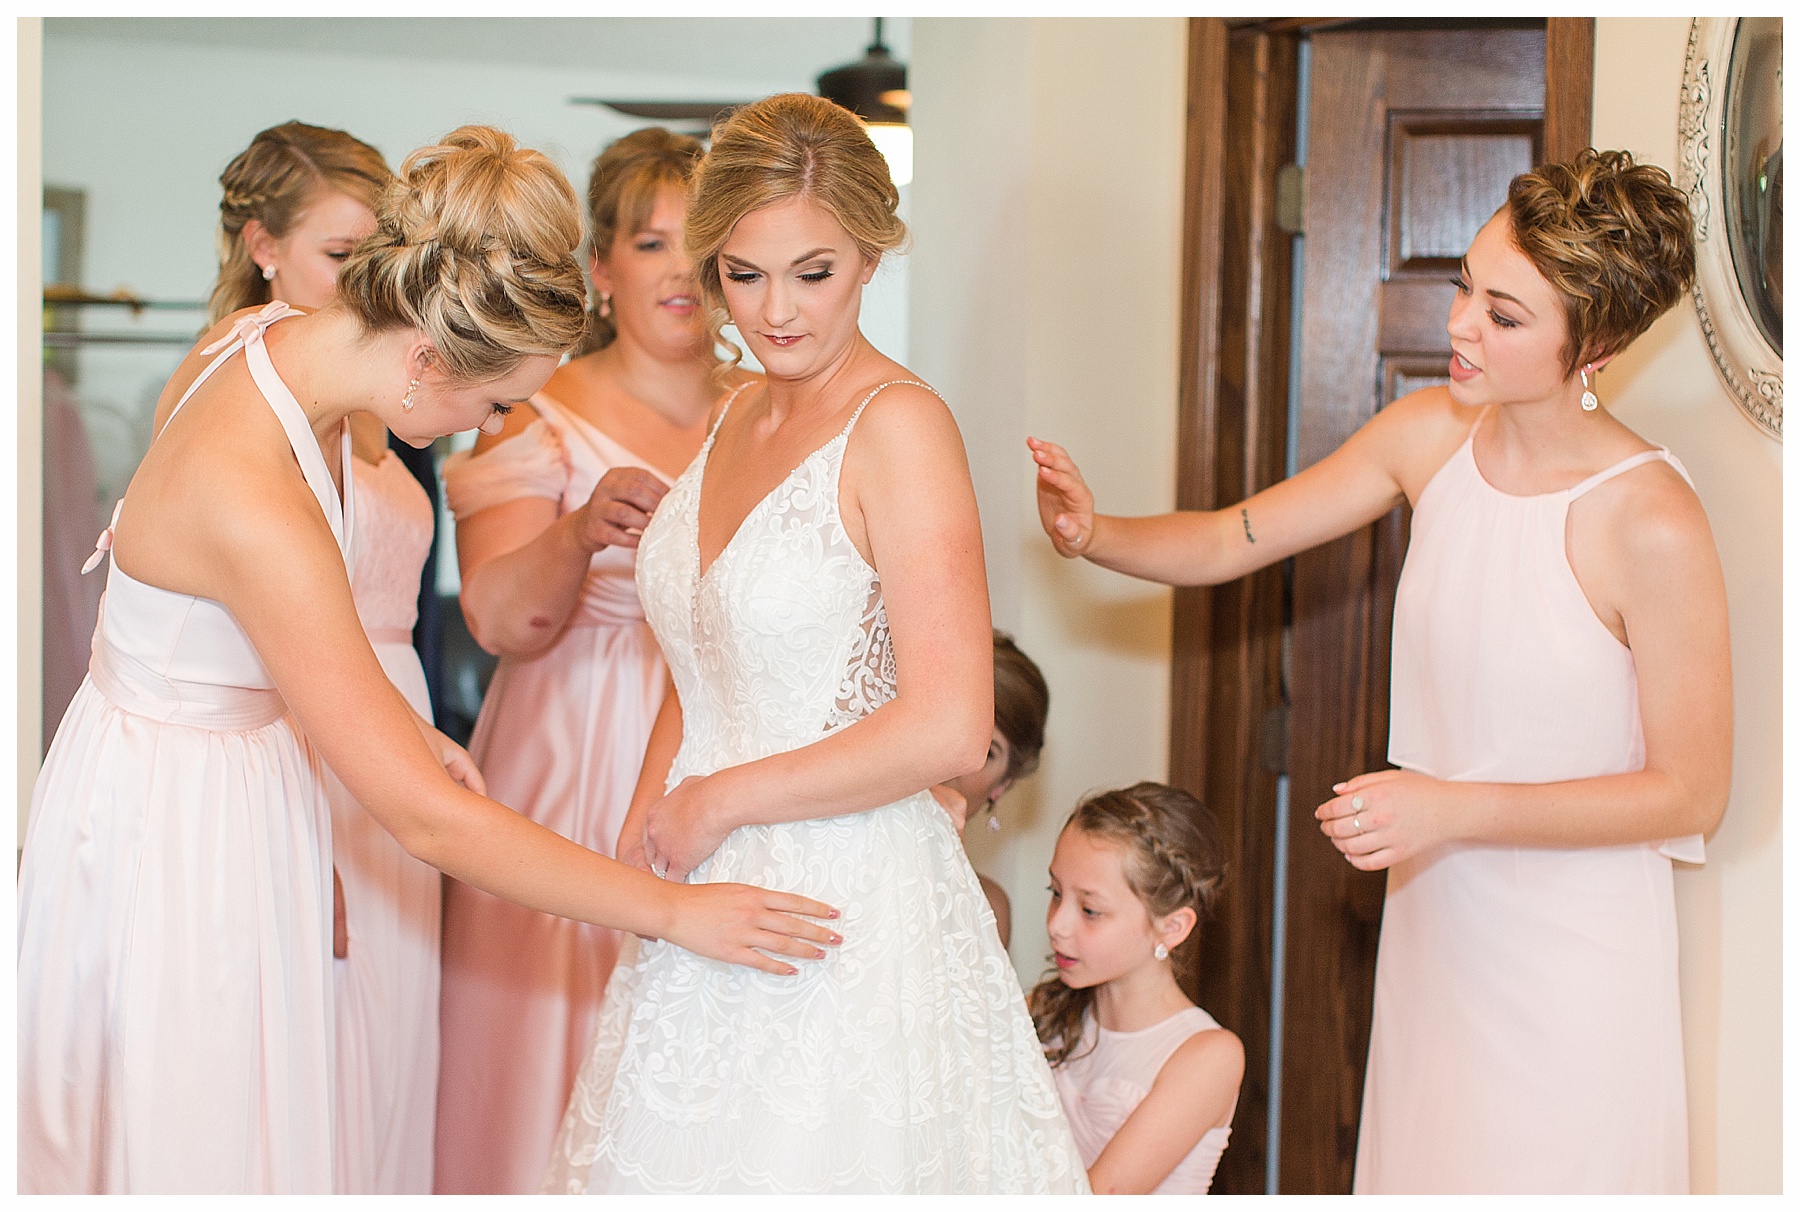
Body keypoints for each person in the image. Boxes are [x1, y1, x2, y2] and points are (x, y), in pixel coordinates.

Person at [15, 125, 840, 1196]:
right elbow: (425, 820)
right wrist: (679, 914)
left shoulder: (279, 337)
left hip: (236, 782)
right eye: (494, 403)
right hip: (181, 830)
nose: (486, 425)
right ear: (423, 356)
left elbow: (272, 648)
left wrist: (406, 726)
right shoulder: (251, 491)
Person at [1029, 149, 1728, 1194]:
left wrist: (1450, 808)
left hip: (1574, 954)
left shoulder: (1652, 518)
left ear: (1600, 345)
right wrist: (1095, 536)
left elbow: (1691, 790)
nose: (1458, 327)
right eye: (1464, 288)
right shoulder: (1430, 437)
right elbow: (1233, 539)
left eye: (1504, 313)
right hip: (1439, 923)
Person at [542, 93, 1087, 1195]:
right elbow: (696, 665)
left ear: (874, 254)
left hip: (840, 903)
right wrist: (640, 851)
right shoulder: (733, 412)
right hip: (697, 884)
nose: (776, 310)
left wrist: (723, 799)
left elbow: (948, 722)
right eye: (743, 275)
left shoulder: (900, 427)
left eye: (813, 272)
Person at [432, 127, 744, 1195]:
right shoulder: (529, 409)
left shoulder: (770, 410)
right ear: (601, 269)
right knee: (554, 1020)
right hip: (574, 738)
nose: (682, 272)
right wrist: (576, 535)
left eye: (703, 242)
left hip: (726, 740)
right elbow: (495, 621)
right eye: (650, 243)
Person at [211, 118, 451, 1195]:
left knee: (397, 1057)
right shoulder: (249, 402)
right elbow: (250, 648)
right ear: (264, 246)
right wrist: (308, 833)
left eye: (379, 263)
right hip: (317, 748)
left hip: (397, 725)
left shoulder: (369, 397)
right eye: (341, 260)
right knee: (327, 1058)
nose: (366, 288)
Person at [1031, 782, 1242, 1193]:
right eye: (1055, 893)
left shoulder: (1207, 1055)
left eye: (1090, 910)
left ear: (1171, 927)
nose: (1057, 924)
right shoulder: (1042, 1010)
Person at [936, 629, 1050, 947]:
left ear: (1002, 785)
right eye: (941, 727)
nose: (949, 760)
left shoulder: (988, 910)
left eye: (985, 751)